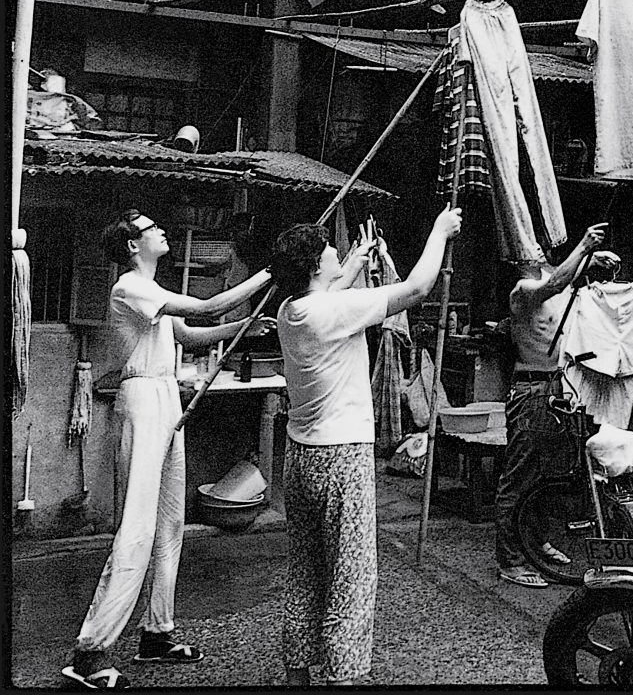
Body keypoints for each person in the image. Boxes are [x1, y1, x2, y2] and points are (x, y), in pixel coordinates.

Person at [62, 210, 274, 691]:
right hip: (142, 398)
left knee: (169, 524)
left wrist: (243, 326)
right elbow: (207, 307)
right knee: (138, 528)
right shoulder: (128, 287)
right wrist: (269, 272)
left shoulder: (153, 292)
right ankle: (88, 654)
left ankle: (157, 632)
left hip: (166, 395)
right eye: (151, 228)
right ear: (132, 246)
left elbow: (189, 333)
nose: (161, 231)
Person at [272, 204, 462, 687]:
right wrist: (439, 231)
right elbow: (416, 288)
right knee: (352, 574)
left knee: (306, 568)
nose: (335, 253)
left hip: (299, 456)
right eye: (328, 251)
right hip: (341, 457)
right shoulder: (333, 310)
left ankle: (298, 675)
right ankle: (344, 677)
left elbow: (327, 295)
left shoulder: (289, 311)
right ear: (315, 265)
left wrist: (355, 262)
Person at [494, 223, 616, 588]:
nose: (537, 246)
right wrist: (585, 247)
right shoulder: (522, 290)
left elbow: (563, 276)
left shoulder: (554, 273)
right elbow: (555, 285)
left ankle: (537, 542)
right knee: (518, 478)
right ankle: (511, 562)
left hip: (558, 388)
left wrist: (591, 259)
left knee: (550, 476)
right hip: (531, 390)